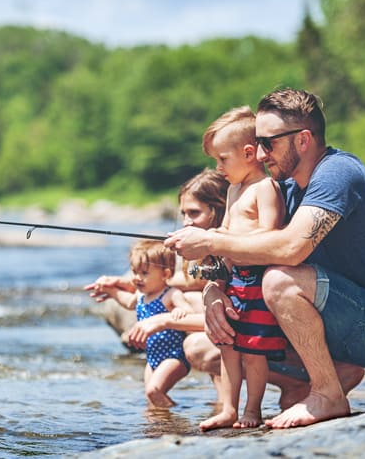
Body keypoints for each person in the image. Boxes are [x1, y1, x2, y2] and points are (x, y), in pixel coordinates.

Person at [165, 88, 365, 429]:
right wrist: (213, 291)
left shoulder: (338, 173)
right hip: (335, 320)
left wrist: (211, 239)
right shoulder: (282, 186)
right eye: (256, 142)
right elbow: (244, 250)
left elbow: (290, 248)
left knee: (280, 281)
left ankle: (327, 394)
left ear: (303, 139)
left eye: (267, 143)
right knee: (204, 348)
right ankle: (314, 382)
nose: (258, 153)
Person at [85, 169, 229, 399]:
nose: (185, 223)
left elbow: (187, 285)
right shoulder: (205, 257)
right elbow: (190, 279)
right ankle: (223, 402)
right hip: (158, 351)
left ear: (219, 210)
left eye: (194, 213)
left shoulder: (234, 251)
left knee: (196, 302)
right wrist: (121, 285)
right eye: (183, 214)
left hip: (236, 334)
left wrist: (165, 320)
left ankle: (233, 402)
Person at [196, 106, 287, 431]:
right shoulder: (234, 189)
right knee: (228, 348)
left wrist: (224, 238)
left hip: (258, 285)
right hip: (235, 281)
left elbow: (271, 236)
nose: (217, 167)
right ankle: (229, 408)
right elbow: (229, 237)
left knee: (252, 352)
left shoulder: (265, 189)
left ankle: (253, 409)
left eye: (222, 159)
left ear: (249, 153)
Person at [89, 239, 194, 407]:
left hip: (174, 356)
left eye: (144, 273)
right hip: (152, 357)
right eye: (134, 272)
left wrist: (178, 311)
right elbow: (128, 302)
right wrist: (111, 290)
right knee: (151, 399)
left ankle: (178, 415)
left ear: (165, 275)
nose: (137, 278)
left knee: (154, 391)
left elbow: (189, 312)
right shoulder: (140, 295)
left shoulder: (170, 294)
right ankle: (161, 424)